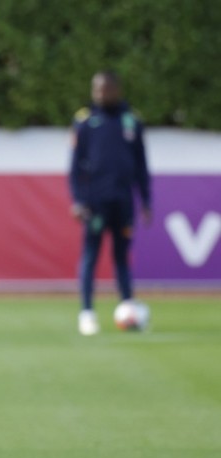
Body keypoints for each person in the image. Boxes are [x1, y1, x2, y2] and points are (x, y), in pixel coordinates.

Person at [69, 70, 152, 336]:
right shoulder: (85, 122)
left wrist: (146, 200)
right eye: (97, 89)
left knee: (122, 257)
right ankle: (87, 313)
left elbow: (141, 165)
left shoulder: (131, 121)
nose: (101, 94)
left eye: (106, 89)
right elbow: (74, 168)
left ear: (117, 90)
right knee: (91, 256)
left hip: (123, 202)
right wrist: (78, 200)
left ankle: (128, 306)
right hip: (94, 203)